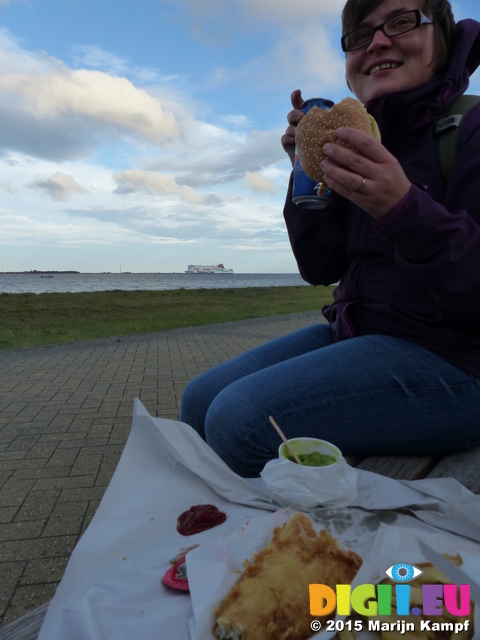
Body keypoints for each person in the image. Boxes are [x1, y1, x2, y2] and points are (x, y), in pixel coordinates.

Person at [180, 0, 480, 478]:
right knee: (197, 403)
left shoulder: (469, 127)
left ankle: (303, 546)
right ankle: (238, 541)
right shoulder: (359, 137)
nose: (377, 41)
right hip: (356, 332)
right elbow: (319, 268)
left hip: (456, 363)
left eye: (400, 22)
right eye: (359, 36)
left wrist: (401, 205)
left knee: (238, 422)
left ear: (439, 41)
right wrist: (304, 171)